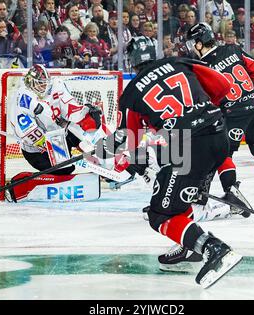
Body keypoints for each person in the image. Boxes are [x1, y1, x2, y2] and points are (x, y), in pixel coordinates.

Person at [94, 36, 245, 288]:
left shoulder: (131, 94)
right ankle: (189, 246)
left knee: (159, 214)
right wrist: (199, 111)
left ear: (132, 62)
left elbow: (129, 140)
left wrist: (101, 149)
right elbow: (223, 85)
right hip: (218, 133)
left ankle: (213, 249)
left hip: (188, 146)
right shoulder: (180, 63)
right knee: (179, 196)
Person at [185, 22, 254, 204]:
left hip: (233, 113)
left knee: (224, 155)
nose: (191, 48)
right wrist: (247, 93)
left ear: (199, 43)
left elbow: (208, 98)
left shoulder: (201, 66)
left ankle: (232, 191)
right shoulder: (233, 49)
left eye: (192, 43)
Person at [11, 64, 103, 177]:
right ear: (32, 82)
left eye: (45, 84)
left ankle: (99, 161)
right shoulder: (24, 98)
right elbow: (26, 131)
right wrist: (51, 146)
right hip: (37, 150)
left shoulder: (55, 86)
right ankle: (58, 170)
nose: (44, 87)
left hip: (57, 139)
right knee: (65, 170)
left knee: (76, 131)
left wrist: (85, 112)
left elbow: (69, 109)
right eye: (40, 84)